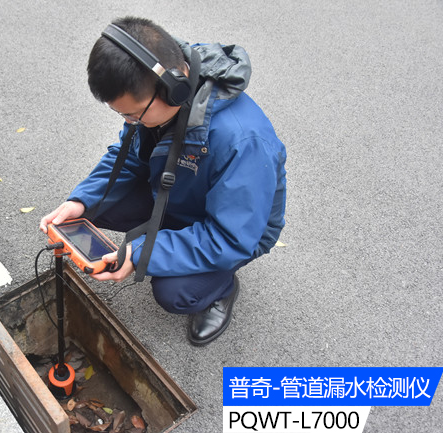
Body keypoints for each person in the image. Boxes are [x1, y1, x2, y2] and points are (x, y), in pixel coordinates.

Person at [40, 16, 287, 346]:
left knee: (174, 292)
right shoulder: (157, 89)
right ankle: (168, 239)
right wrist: (80, 200)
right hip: (176, 191)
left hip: (233, 228)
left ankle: (222, 288)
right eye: (122, 115)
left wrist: (139, 253)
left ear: (175, 89)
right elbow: (127, 155)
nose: (129, 122)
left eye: (133, 115)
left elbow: (231, 237)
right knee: (91, 212)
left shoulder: (243, 141)